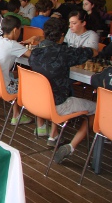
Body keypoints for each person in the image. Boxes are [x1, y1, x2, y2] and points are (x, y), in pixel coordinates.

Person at [29, 17, 97, 163]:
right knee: (99, 109)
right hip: (58, 105)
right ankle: (71, 147)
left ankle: (54, 135)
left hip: (36, 103)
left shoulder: (35, 52)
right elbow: (89, 53)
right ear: (62, 35)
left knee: (58, 89)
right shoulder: (63, 52)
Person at [0, 15, 32, 125]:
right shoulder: (12, 44)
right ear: (16, 30)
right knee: (31, 83)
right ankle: (40, 123)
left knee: (15, 75)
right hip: (4, 86)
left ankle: (16, 115)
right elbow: (32, 56)